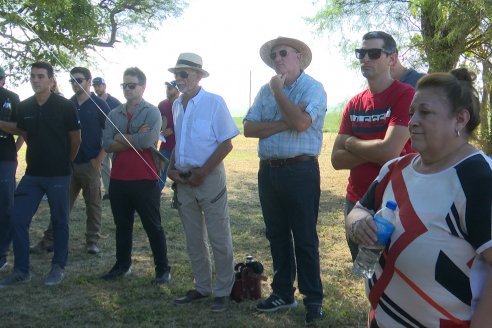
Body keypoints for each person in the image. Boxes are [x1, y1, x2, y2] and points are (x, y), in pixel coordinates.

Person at [346, 68, 492, 327]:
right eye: (412, 112)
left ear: (460, 119)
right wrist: (358, 224)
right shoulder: (395, 168)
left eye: (425, 112)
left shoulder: (479, 179)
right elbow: (358, 210)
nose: (412, 120)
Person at [243, 37, 326, 325]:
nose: (277, 59)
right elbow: (249, 128)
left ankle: (313, 298)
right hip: (268, 171)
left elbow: (303, 124)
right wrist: (285, 121)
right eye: (273, 56)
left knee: (304, 238)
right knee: (276, 235)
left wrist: (279, 92)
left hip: (300, 171)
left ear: (299, 56)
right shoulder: (264, 91)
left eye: (283, 54)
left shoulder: (312, 88)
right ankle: (282, 293)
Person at [331, 31, 415, 261]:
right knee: (366, 277)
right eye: (361, 53)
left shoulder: (406, 96)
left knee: (394, 276)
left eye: (374, 53)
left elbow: (389, 153)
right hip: (357, 204)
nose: (365, 59)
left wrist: (350, 142)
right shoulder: (354, 103)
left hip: (396, 203)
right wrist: (377, 150)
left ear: (392, 58)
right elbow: (336, 160)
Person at [167, 53, 239, 313]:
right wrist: (171, 168)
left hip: (208, 178)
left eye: (184, 74)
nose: (179, 79)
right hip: (184, 179)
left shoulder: (214, 102)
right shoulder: (177, 105)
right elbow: (179, 141)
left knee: (219, 237)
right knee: (193, 238)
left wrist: (203, 173)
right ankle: (202, 287)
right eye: (176, 74)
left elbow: (227, 143)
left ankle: (223, 290)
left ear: (198, 76)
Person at [0, 61, 81, 287]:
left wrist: (67, 163)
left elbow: (76, 139)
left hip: (59, 174)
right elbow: (23, 132)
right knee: (17, 219)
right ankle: (21, 270)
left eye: (41, 76)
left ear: (51, 80)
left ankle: (58, 267)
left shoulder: (65, 106)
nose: (36, 80)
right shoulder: (24, 107)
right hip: (33, 174)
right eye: (33, 76)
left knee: (59, 220)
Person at [101, 67, 170, 285]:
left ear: (143, 87)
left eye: (132, 85)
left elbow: (147, 141)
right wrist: (134, 137)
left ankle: (163, 269)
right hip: (118, 180)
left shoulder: (152, 112)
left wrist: (120, 139)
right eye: (124, 85)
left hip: (145, 179)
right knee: (122, 226)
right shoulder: (114, 113)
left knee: (153, 226)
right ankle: (122, 266)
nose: (127, 89)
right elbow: (105, 143)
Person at [30, 67, 110, 255]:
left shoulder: (99, 104)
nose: (75, 84)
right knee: (61, 205)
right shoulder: (67, 104)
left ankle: (92, 241)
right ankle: (49, 240)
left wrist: (99, 159)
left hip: (90, 163)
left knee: (94, 205)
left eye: (79, 80)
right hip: (68, 164)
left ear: (89, 82)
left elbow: (110, 134)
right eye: (72, 81)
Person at [0, 67, 23, 272]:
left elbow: (21, 128)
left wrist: (14, 150)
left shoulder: (11, 98)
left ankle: (2, 252)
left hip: (5, 158)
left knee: (5, 204)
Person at [92, 76, 122, 200]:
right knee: (104, 164)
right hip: (100, 137)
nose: (97, 88)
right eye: (95, 85)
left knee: (117, 163)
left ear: (104, 86)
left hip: (114, 137)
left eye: (99, 85)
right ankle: (109, 191)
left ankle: (119, 188)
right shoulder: (93, 101)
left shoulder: (114, 101)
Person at [156, 80, 179, 191]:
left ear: (177, 90)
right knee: (160, 171)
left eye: (170, 88)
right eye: (167, 88)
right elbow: (158, 123)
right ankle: (155, 194)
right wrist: (161, 131)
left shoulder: (184, 103)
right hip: (165, 146)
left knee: (181, 174)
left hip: (180, 147)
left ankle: (178, 197)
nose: (167, 90)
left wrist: (173, 130)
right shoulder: (162, 105)